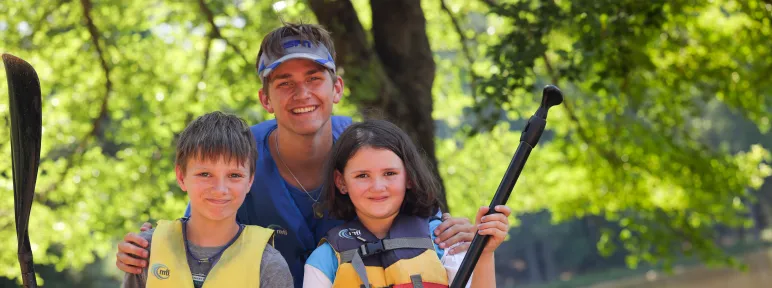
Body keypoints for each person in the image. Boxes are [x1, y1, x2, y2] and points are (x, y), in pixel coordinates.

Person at [116, 23, 477, 288]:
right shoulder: (239, 156)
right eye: (284, 82)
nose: (301, 93)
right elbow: (198, 233)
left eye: (314, 78)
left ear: (336, 88)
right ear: (265, 99)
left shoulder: (372, 150)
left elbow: (424, 227)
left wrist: (453, 232)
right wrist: (146, 250)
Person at [303, 120, 511, 288]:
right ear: (341, 182)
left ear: (409, 177)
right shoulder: (325, 260)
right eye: (362, 175)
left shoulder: (444, 240)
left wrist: (484, 253)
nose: (378, 186)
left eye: (390, 173)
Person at [121, 111, 293, 288]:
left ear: (250, 181)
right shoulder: (146, 251)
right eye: (205, 174)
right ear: (181, 177)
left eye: (234, 175)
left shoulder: (268, 265)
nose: (220, 189)